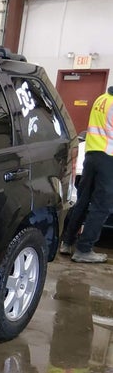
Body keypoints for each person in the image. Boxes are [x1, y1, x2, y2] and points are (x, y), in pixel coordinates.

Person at [63, 86, 113, 263]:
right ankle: (84, 249)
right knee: (102, 205)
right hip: (108, 157)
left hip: (92, 154)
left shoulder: (102, 99)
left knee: (83, 199)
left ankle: (67, 242)